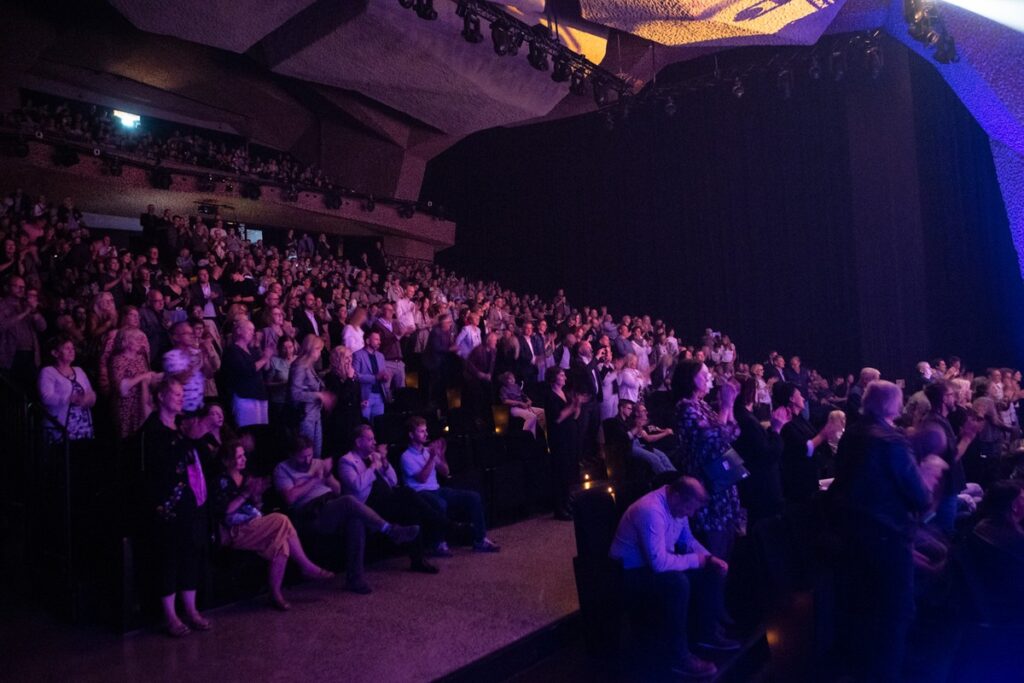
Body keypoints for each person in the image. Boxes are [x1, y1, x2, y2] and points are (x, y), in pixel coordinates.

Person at [827, 380, 939, 682]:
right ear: (892, 404)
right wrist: (928, 476)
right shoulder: (892, 441)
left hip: (851, 535)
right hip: (887, 536)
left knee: (863, 609)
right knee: (895, 612)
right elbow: (918, 495)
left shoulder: (853, 433)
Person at [609, 475, 736, 679]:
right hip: (627, 574)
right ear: (676, 496)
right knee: (677, 583)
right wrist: (698, 561)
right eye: (690, 508)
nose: (691, 514)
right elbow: (659, 564)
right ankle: (679, 657)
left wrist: (710, 558)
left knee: (710, 569)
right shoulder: (651, 510)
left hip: (649, 566)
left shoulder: (677, 505)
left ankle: (707, 633)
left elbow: (687, 540)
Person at [273, 436, 420, 594]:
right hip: (311, 512)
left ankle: (355, 579)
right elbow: (290, 498)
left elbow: (337, 490)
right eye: (303, 457)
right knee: (349, 501)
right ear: (291, 455)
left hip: (331, 503)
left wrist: (328, 476)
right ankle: (390, 530)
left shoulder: (317, 463)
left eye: (310, 455)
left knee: (355, 520)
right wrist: (315, 479)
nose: (308, 460)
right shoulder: (282, 469)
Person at [214, 441, 334, 611]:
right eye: (239, 456)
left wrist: (257, 496)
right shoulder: (222, 480)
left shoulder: (246, 476)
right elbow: (225, 511)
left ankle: (275, 593)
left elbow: (254, 507)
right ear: (228, 460)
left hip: (253, 523)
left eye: (243, 455)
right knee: (281, 520)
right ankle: (306, 566)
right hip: (234, 530)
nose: (243, 459)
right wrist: (247, 493)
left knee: (282, 543)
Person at [141, 378, 211, 636]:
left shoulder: (182, 426)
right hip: (167, 504)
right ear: (161, 397)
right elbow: (159, 465)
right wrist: (188, 439)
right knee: (168, 558)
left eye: (183, 394)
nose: (181, 398)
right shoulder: (153, 429)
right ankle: (170, 615)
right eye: (175, 393)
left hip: (190, 501)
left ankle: (191, 610)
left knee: (190, 554)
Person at [337, 425, 440, 574]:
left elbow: (393, 481)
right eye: (370, 439)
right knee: (407, 493)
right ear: (358, 442)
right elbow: (357, 486)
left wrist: (384, 462)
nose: (374, 442)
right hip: (367, 506)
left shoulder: (376, 456)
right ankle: (440, 521)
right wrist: (372, 467)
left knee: (412, 510)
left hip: (386, 501)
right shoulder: (346, 461)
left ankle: (418, 561)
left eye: (374, 439)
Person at [673, 359, 744, 560]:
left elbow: (733, 431)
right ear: (689, 379)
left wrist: (727, 408)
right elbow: (713, 439)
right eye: (703, 374)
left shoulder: (702, 405)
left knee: (729, 549)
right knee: (715, 554)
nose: (709, 377)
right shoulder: (685, 408)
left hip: (722, 485)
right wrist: (726, 406)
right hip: (707, 489)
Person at [401, 416, 501, 553]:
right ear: (411, 435)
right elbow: (422, 479)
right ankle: (438, 543)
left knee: (473, 497)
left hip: (436, 489)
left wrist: (441, 456)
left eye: (426, 430)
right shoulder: (406, 456)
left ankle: (480, 540)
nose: (426, 434)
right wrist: (431, 458)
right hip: (419, 493)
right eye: (421, 431)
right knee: (441, 503)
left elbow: (445, 471)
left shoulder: (427, 451)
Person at [774, 382, 844, 505]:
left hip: (810, 475)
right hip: (798, 480)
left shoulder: (801, 418)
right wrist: (824, 433)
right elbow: (804, 449)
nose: (803, 398)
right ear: (791, 399)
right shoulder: (787, 423)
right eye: (799, 395)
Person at [544, 366, 585, 520]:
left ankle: (568, 503)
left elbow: (574, 416)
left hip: (570, 435)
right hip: (559, 438)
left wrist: (577, 405)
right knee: (560, 472)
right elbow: (558, 418)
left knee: (569, 471)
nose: (565, 378)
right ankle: (559, 508)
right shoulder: (550, 396)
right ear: (554, 377)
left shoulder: (565, 394)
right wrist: (573, 406)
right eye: (562, 375)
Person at [38, 335, 96, 443]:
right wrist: (70, 398)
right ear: (55, 353)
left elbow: (90, 392)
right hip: (61, 428)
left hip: (83, 426)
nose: (72, 351)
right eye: (67, 348)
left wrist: (90, 399)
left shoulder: (79, 370)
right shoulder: (48, 372)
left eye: (72, 348)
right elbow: (46, 398)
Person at [289, 334, 334, 458]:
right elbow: (295, 394)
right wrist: (319, 395)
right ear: (310, 348)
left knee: (316, 454)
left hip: (314, 414)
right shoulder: (299, 366)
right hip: (305, 416)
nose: (319, 353)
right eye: (318, 349)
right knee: (307, 454)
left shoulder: (309, 366)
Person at [221, 318, 271, 426]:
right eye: (249, 329)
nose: (253, 333)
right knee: (248, 430)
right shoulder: (232, 350)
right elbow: (247, 370)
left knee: (261, 431)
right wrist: (265, 358)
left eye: (253, 330)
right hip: (245, 397)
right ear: (239, 331)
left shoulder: (252, 350)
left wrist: (264, 354)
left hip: (259, 395)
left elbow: (265, 368)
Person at [110, 328, 159, 439]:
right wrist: (143, 376)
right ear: (126, 341)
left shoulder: (141, 358)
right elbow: (120, 388)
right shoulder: (118, 360)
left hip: (141, 404)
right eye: (137, 340)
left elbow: (147, 378)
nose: (140, 343)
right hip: (126, 407)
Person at [0, 274, 46, 391]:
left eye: (23, 287)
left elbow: (43, 327)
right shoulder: (2, 305)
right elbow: (2, 325)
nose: (21, 290)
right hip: (12, 354)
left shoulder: (26, 304)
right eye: (17, 286)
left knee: (30, 390)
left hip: (31, 354)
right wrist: (24, 313)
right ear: (7, 287)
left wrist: (34, 312)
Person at [323, 345, 364, 458]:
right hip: (340, 422)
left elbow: (355, 394)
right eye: (346, 358)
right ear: (337, 359)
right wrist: (350, 379)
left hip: (354, 418)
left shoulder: (352, 375)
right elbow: (340, 399)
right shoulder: (331, 377)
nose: (350, 360)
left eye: (350, 357)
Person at [353, 330, 389, 421]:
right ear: (368, 341)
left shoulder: (381, 356)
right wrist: (375, 377)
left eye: (379, 340)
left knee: (379, 425)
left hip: (380, 395)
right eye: (376, 339)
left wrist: (385, 377)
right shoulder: (357, 355)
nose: (379, 342)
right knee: (365, 423)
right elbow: (355, 375)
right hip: (366, 396)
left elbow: (382, 374)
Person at [498, 371, 546, 437]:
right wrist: (519, 403)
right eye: (510, 378)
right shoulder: (503, 389)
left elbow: (524, 395)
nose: (512, 380)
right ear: (506, 380)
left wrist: (529, 400)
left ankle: (539, 434)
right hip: (514, 408)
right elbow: (505, 401)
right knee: (532, 417)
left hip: (523, 407)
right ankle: (525, 436)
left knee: (542, 412)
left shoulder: (516, 386)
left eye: (513, 378)